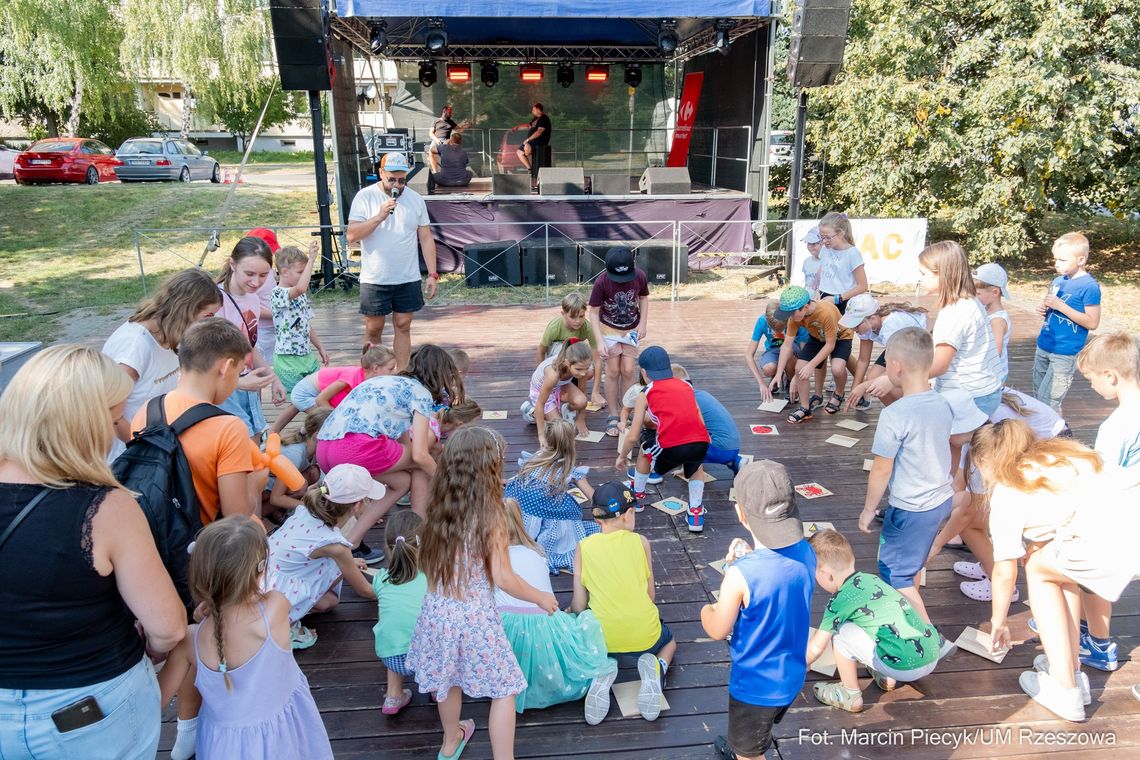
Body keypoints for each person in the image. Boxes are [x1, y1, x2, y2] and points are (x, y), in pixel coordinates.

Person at [0, 345, 186, 760]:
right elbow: (169, 628)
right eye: (112, 416)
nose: (117, 429)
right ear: (80, 423)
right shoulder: (106, 508)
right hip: (86, 711)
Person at [406, 426, 559, 760]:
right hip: (474, 616)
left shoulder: (439, 506)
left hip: (436, 611)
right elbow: (503, 577)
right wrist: (540, 596)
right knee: (505, 689)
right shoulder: (492, 514)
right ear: (489, 468)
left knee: (448, 681)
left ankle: (450, 742)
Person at [974, 420, 1139, 722]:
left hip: (1116, 543)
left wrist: (998, 622)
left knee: (1037, 568)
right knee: (1055, 567)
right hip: (1130, 525)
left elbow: (1004, 570)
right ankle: (1070, 670)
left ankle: (1066, 688)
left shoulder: (1008, 489)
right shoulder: (1062, 453)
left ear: (985, 460)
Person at [156, 516, 334, 760]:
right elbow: (262, 595)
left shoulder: (191, 639)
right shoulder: (275, 608)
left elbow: (158, 699)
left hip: (223, 746)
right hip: (284, 740)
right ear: (260, 569)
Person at [699, 460, 815, 760]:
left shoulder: (741, 575)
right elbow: (778, 577)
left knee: (750, 754)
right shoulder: (806, 551)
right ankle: (748, 741)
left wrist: (707, 608)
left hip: (754, 686)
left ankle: (745, 751)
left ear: (741, 514)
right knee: (757, 730)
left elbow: (717, 629)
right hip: (791, 673)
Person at [860, 327, 954, 623]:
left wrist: (868, 509)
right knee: (910, 567)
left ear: (896, 366)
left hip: (911, 508)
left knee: (896, 574)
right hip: (941, 500)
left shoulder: (895, 414)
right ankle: (907, 620)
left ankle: (926, 638)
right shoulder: (942, 402)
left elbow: (881, 467)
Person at [130, 318, 260, 525]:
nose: (236, 382)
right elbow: (237, 515)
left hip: (148, 531)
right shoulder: (228, 428)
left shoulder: (147, 409)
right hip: (197, 547)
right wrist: (256, 479)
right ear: (226, 367)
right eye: (238, 373)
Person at [317, 345, 463, 527]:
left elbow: (400, 433)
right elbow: (420, 455)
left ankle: (353, 539)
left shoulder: (382, 381)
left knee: (401, 482)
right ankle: (419, 530)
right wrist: (449, 483)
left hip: (324, 446)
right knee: (422, 465)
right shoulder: (421, 393)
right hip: (357, 448)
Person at [497, 499, 613, 717]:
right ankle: (596, 676)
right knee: (585, 624)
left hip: (507, 633)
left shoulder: (490, 561)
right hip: (545, 625)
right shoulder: (537, 553)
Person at [571, 482, 676, 722]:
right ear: (629, 514)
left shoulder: (583, 547)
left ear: (597, 519)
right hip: (644, 634)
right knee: (669, 643)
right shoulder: (641, 542)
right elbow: (651, 596)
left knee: (588, 634)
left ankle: (601, 670)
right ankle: (658, 669)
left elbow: (578, 604)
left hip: (602, 639)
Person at [806, 529, 943, 712]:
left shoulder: (838, 601)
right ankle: (886, 676)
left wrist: (802, 664)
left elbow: (816, 648)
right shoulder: (871, 579)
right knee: (868, 622)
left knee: (841, 633)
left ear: (827, 574)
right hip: (932, 654)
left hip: (902, 667)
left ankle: (850, 694)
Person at [1070, 332, 1140, 673]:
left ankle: (1097, 644)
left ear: (1110, 376)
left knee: (1089, 574)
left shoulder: (1117, 426)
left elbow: (1102, 482)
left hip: (1121, 513)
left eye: (1092, 379)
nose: (1092, 386)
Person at [103, 267, 223, 461]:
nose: (207, 324)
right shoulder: (135, 346)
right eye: (207, 316)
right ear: (186, 309)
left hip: (156, 450)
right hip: (128, 460)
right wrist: (142, 451)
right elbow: (107, 410)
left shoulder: (170, 336)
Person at [265, 464, 381, 647]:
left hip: (266, 575)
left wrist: (349, 564)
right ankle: (283, 622)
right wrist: (397, 593)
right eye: (369, 499)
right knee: (330, 598)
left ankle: (283, 612)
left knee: (329, 602)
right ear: (357, 505)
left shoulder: (306, 510)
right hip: (278, 590)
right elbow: (365, 590)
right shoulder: (335, 546)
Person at [346, 152, 439, 369]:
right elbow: (351, 236)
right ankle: (370, 373)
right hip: (375, 277)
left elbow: (425, 237)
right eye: (391, 179)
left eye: (402, 179)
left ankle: (402, 374)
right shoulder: (365, 197)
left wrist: (433, 274)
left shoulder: (415, 200)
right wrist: (379, 216)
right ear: (380, 173)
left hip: (407, 276)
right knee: (373, 328)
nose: (397, 184)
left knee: (403, 325)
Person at [617, 346, 711, 532]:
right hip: (701, 440)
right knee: (696, 466)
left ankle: (638, 499)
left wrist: (622, 456)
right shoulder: (686, 385)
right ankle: (695, 514)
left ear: (643, 372)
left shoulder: (645, 392)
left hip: (671, 445)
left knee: (645, 451)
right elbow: (698, 415)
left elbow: (633, 435)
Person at [216, 236, 287, 440]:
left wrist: (273, 378)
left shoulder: (253, 300)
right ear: (232, 264)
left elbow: (249, 347)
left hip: (249, 384)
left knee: (255, 439)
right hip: (224, 388)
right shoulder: (214, 301)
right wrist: (237, 382)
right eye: (249, 274)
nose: (256, 282)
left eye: (264, 275)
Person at [506, 419, 599, 572]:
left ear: (547, 440)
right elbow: (594, 498)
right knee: (567, 513)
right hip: (543, 516)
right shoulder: (568, 469)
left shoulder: (536, 457)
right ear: (571, 443)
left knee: (552, 502)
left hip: (518, 513)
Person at [1034, 232, 1101, 412]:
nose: (1056, 264)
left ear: (1080, 260)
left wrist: (1061, 306)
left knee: (1049, 400)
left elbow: (1093, 322)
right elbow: (1051, 306)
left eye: (1062, 260)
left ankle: (1055, 436)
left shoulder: (1089, 286)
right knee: (1039, 396)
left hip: (1064, 353)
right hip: (1044, 344)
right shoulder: (1058, 281)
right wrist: (1043, 308)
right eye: (1055, 259)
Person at [770, 285, 855, 422]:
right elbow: (786, 345)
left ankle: (839, 393)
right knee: (799, 368)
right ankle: (805, 407)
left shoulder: (826, 312)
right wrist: (779, 373)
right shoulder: (794, 317)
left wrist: (811, 365)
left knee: (837, 369)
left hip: (840, 337)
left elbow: (830, 345)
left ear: (804, 307)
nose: (789, 318)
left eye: (791, 314)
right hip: (817, 337)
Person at [588, 246, 650, 435]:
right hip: (608, 330)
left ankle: (627, 411)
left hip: (631, 330)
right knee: (613, 371)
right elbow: (593, 311)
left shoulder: (639, 276)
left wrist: (643, 324)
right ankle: (613, 415)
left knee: (629, 370)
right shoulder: (601, 282)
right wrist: (599, 341)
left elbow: (644, 298)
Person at [270, 344, 397, 435]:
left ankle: (304, 430)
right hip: (305, 394)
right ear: (375, 368)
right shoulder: (352, 377)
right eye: (391, 369)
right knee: (336, 422)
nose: (394, 372)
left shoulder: (367, 378)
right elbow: (321, 399)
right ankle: (308, 433)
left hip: (314, 391)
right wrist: (337, 418)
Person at [372, 510, 428, 716]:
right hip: (426, 658)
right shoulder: (432, 577)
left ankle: (393, 696)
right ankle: (435, 689)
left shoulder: (381, 578)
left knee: (396, 635)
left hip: (391, 657)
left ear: (388, 547)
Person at [840, 294, 929, 409]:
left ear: (872, 317)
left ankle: (908, 411)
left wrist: (864, 387)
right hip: (899, 346)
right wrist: (855, 389)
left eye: (856, 325)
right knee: (873, 377)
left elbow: (901, 367)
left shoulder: (890, 325)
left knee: (888, 384)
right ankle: (895, 412)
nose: (853, 329)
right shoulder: (868, 326)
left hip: (921, 345)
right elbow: (863, 360)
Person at [271, 242, 329, 395]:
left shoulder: (300, 295)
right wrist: (311, 259)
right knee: (297, 401)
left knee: (317, 393)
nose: (305, 276)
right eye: (300, 272)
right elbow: (301, 288)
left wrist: (320, 348)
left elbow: (307, 325)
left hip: (306, 354)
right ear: (284, 271)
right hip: (287, 357)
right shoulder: (277, 293)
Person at [536, 291, 604, 405]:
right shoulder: (554, 327)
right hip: (557, 357)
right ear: (563, 313)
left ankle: (579, 392)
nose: (578, 321)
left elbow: (597, 359)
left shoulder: (587, 328)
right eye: (572, 317)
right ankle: (560, 386)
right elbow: (541, 351)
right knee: (564, 350)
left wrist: (595, 392)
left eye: (581, 316)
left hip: (574, 356)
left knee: (589, 371)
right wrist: (543, 379)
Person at [673, 364, 742, 473]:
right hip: (734, 446)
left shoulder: (689, 402)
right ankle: (735, 461)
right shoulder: (702, 394)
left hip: (721, 450)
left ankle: (655, 474)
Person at [522, 338, 594, 443]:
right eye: (578, 369)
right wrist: (541, 436)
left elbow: (583, 393)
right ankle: (531, 412)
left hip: (560, 385)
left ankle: (565, 409)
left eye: (586, 368)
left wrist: (580, 419)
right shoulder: (553, 374)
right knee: (560, 430)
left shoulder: (582, 367)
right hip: (540, 390)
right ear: (567, 363)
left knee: (581, 401)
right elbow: (541, 403)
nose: (583, 373)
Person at [264, 405, 329, 518]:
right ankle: (257, 515)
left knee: (305, 481)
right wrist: (312, 508)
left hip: (269, 483)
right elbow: (276, 498)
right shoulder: (295, 455)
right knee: (300, 487)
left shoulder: (312, 450)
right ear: (317, 435)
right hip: (255, 488)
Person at [744, 300, 809, 403]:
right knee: (768, 369)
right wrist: (761, 384)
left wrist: (796, 379)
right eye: (773, 329)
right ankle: (777, 376)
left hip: (793, 350)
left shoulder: (795, 320)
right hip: (773, 349)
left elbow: (805, 354)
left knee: (787, 353)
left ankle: (789, 380)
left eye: (780, 329)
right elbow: (748, 355)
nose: (776, 332)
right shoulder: (761, 321)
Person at [815, 211, 867, 313]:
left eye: (828, 237)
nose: (824, 241)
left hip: (844, 301)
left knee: (841, 329)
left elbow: (863, 286)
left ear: (841, 234)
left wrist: (837, 299)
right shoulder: (825, 249)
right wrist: (817, 290)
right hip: (823, 297)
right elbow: (821, 273)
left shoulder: (852, 253)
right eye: (821, 237)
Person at [246, 227, 281, 365]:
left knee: (274, 364)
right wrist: (274, 314)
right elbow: (250, 306)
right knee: (262, 365)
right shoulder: (250, 280)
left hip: (274, 325)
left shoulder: (270, 272)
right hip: (260, 328)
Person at [974, 262, 1012, 384]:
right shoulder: (985, 311)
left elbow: (995, 351)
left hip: (993, 375)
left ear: (995, 293)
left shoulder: (997, 320)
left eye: (978, 293)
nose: (974, 297)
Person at [512, 102, 552, 173]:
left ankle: (528, 150)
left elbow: (539, 132)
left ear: (538, 109)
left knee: (527, 146)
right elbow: (528, 126)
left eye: (533, 110)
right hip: (533, 141)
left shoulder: (544, 118)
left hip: (540, 140)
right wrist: (517, 127)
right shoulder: (535, 119)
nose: (532, 111)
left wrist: (528, 139)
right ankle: (530, 169)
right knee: (519, 152)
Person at [800, 226, 823, 295]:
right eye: (808, 243)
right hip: (808, 296)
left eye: (813, 243)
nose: (810, 246)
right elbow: (807, 282)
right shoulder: (807, 261)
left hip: (821, 298)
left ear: (822, 243)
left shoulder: (827, 262)